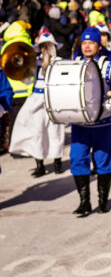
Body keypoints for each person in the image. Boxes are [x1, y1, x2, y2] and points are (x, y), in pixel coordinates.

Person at [70, 27, 111, 215]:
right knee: (78, 159)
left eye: (91, 43)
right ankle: (84, 202)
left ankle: (103, 201)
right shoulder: (74, 65)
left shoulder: (108, 67)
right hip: (80, 124)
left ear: (98, 46)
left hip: (104, 123)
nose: (87, 47)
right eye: (84, 43)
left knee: (103, 161)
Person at [9, 30, 65, 176]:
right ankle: (39, 164)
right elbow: (26, 79)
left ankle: (57, 161)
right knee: (36, 131)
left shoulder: (58, 62)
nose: (45, 49)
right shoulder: (34, 61)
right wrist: (18, 69)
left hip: (53, 99)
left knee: (55, 131)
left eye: (48, 45)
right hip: (37, 98)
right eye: (42, 46)